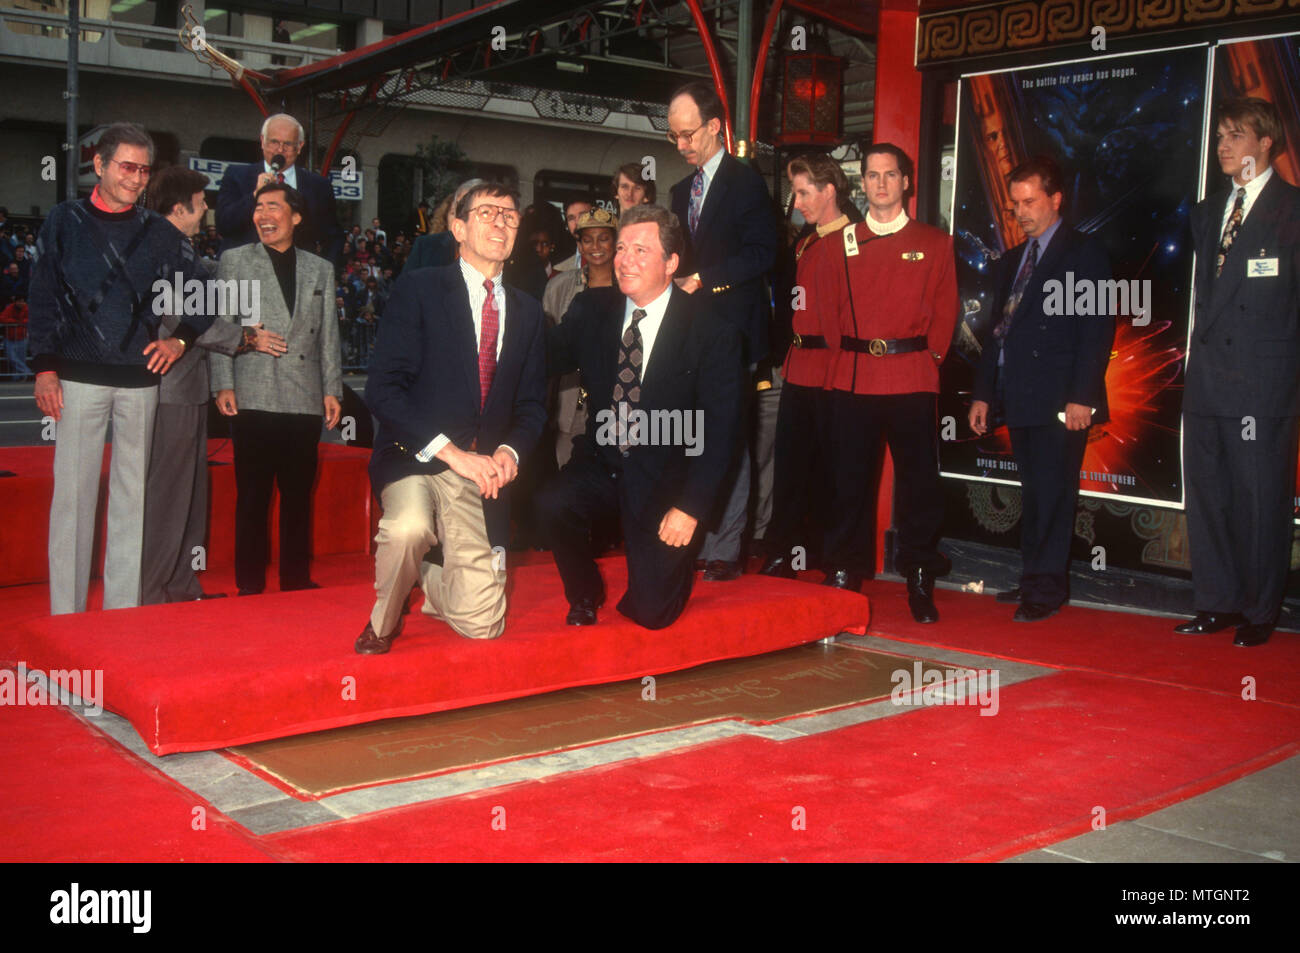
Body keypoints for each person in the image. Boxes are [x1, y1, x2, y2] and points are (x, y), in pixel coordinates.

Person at [28, 122, 213, 614]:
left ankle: (122, 620)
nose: (135, 178)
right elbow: (42, 296)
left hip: (139, 383)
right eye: (126, 167)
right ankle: (65, 620)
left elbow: (205, 293)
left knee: (133, 503)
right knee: (72, 501)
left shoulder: (158, 232)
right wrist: (44, 369)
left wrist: (178, 340)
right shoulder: (63, 221)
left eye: (143, 170)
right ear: (100, 166)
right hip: (76, 380)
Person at [357, 182, 547, 652]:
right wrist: (450, 452)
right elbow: (383, 389)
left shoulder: (528, 311)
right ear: (457, 228)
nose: (501, 222)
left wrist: (509, 450)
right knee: (409, 528)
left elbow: (533, 405)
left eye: (510, 215)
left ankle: (428, 579)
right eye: (487, 213)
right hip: (415, 454)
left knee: (485, 626)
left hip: (480, 474)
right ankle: (381, 624)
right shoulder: (421, 289)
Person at [537, 204, 744, 629]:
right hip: (603, 461)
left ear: (671, 263)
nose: (625, 260)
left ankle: (665, 568)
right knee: (552, 501)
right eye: (622, 248)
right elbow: (541, 356)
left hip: (666, 480)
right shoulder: (593, 310)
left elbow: (721, 431)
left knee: (652, 615)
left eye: (641, 250)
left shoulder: (713, 331)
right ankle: (585, 592)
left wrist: (690, 508)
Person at [815, 145, 960, 623]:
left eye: (890, 175)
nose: (880, 184)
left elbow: (945, 313)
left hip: (911, 375)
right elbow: (830, 313)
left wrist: (926, 358)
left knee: (919, 486)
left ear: (906, 182)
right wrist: (848, 359)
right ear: (863, 184)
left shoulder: (935, 243)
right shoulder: (840, 243)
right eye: (872, 175)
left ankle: (919, 574)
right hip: (854, 378)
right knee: (847, 483)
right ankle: (843, 571)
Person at [969, 155, 1114, 622]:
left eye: (1030, 202)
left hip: (1061, 399)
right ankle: (1034, 577)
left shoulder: (1085, 253)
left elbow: (1097, 331)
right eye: (1015, 205)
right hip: (1019, 394)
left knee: (1054, 492)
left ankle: (1047, 589)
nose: (1022, 212)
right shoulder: (1012, 260)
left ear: (1056, 199)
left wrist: (1083, 396)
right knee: (1034, 491)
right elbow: (998, 333)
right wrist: (983, 393)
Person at [1178, 97, 1300, 648]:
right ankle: (1217, 601)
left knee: (1259, 497)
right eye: (1220, 136)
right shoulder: (1208, 212)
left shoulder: (1293, 211)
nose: (1223, 146)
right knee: (1209, 494)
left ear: (1265, 142)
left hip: (1263, 381)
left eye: (1235, 135)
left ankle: (1259, 608)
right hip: (1207, 378)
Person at [141, 165, 287, 604]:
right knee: (169, 497)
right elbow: (188, 324)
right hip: (172, 391)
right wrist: (248, 337)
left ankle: (179, 587)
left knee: (187, 494)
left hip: (181, 389)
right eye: (201, 203)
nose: (206, 211)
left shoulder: (173, 249)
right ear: (181, 207)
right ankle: (154, 592)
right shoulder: (164, 251)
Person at [667, 80, 779, 581]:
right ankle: (695, 537)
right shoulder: (677, 191)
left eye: (689, 134)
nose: (682, 145)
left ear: (715, 126)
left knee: (730, 439)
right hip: (690, 336)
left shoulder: (746, 182)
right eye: (674, 137)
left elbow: (763, 254)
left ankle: (726, 549)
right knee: (694, 438)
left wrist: (704, 281)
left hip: (733, 333)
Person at [210, 183, 342, 596]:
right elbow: (220, 324)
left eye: (273, 206)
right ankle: (249, 584)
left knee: (298, 494)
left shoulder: (321, 268)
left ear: (295, 217)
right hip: (252, 390)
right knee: (252, 495)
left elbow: (329, 337)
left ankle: (295, 579)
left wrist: (331, 389)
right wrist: (223, 382)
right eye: (258, 207)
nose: (263, 215)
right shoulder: (234, 261)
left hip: (304, 396)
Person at [759, 154, 852, 584]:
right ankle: (784, 553)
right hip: (798, 367)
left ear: (829, 190)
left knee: (836, 470)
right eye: (795, 193)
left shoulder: (856, 240)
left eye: (803, 193)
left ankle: (835, 560)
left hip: (836, 368)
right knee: (790, 468)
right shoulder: (804, 242)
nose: (797, 203)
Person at [542, 206, 618, 467]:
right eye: (588, 239)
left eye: (604, 238)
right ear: (580, 244)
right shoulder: (559, 286)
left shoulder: (631, 288)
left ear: (616, 241)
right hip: (567, 406)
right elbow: (548, 351)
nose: (596, 246)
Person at [215, 113, 343, 266]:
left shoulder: (319, 185)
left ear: (300, 146)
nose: (280, 150)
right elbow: (223, 224)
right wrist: (255, 195)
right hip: (245, 274)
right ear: (262, 141)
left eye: (288, 144)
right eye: (274, 142)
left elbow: (334, 236)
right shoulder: (236, 175)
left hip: (297, 277)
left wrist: (324, 273)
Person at [552, 198, 593, 273]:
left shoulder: (614, 260)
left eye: (583, 215)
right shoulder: (559, 269)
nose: (577, 222)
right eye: (571, 218)